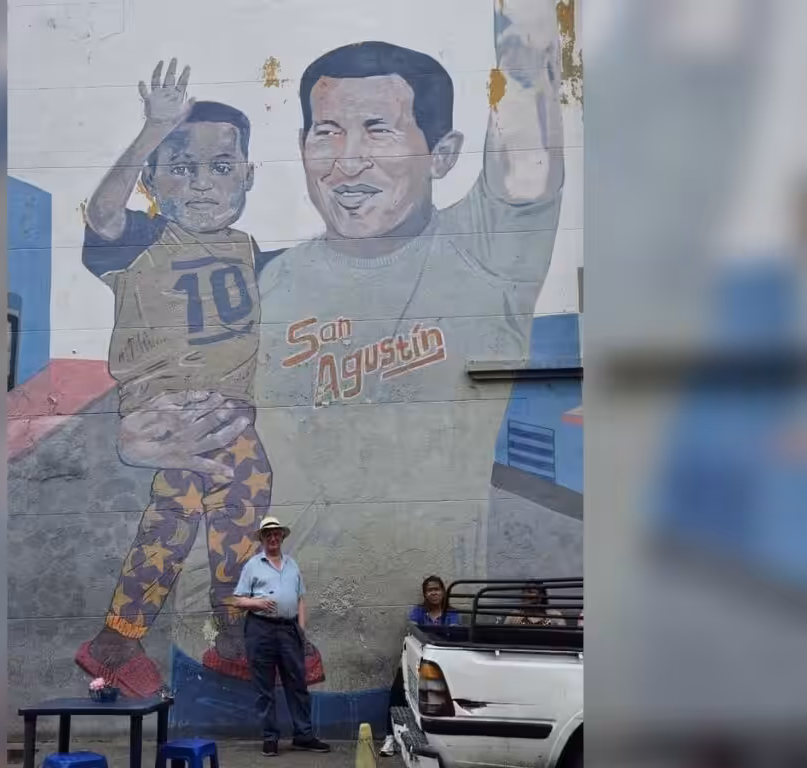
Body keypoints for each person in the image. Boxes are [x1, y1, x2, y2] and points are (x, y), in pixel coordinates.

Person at [111, 0, 564, 702]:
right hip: (217, 658)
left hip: (404, 668)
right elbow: (166, 370)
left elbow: (529, 161)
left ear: (442, 153)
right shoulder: (256, 280)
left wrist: (527, 57)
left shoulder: (486, 257)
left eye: (378, 129)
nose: (346, 160)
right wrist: (141, 432)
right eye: (325, 132)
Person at [75, 59, 325, 696]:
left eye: (221, 166)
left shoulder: (247, 249)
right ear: (153, 181)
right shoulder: (141, 239)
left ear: (247, 176)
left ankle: (144, 639)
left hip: (228, 413)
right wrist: (152, 130)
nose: (204, 183)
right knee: (200, 504)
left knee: (220, 507)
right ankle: (195, 636)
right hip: (172, 412)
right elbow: (102, 212)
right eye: (181, 166)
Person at [233, 517, 331, 756]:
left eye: (277, 534)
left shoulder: (292, 564)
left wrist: (301, 629)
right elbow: (237, 600)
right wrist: (256, 602)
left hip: (289, 631)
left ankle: (303, 736)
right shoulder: (253, 565)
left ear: (282, 537)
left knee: (297, 684)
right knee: (264, 687)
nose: (273, 538)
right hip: (260, 630)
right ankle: (270, 738)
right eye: (268, 535)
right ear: (262, 539)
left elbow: (300, 599)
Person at [380, 576, 460, 757]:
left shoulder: (451, 614)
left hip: (442, 667)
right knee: (397, 691)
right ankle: (390, 737)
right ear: (424, 594)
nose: (434, 593)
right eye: (429, 590)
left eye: (437, 589)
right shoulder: (418, 613)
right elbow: (413, 633)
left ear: (443, 591)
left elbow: (453, 637)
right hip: (416, 662)